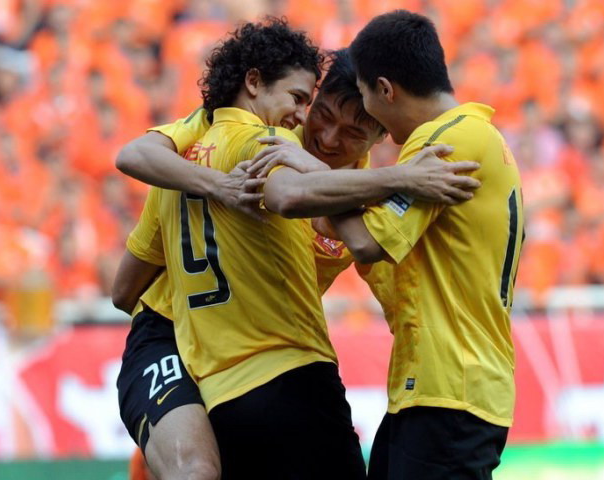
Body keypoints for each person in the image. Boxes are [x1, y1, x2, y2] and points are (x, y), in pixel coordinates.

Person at [113, 46, 479, 478]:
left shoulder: (367, 207)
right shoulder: (247, 133)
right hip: (170, 331)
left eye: (353, 132)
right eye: (322, 114)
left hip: (250, 361)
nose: (328, 139)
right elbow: (126, 285)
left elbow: (393, 289)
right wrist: (218, 186)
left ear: (379, 137)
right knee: (192, 467)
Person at [327, 11, 523, 479]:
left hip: (451, 388)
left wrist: (306, 175)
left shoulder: (442, 142)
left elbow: (366, 241)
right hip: (439, 388)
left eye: (364, 96)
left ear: (385, 89)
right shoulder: (477, 134)